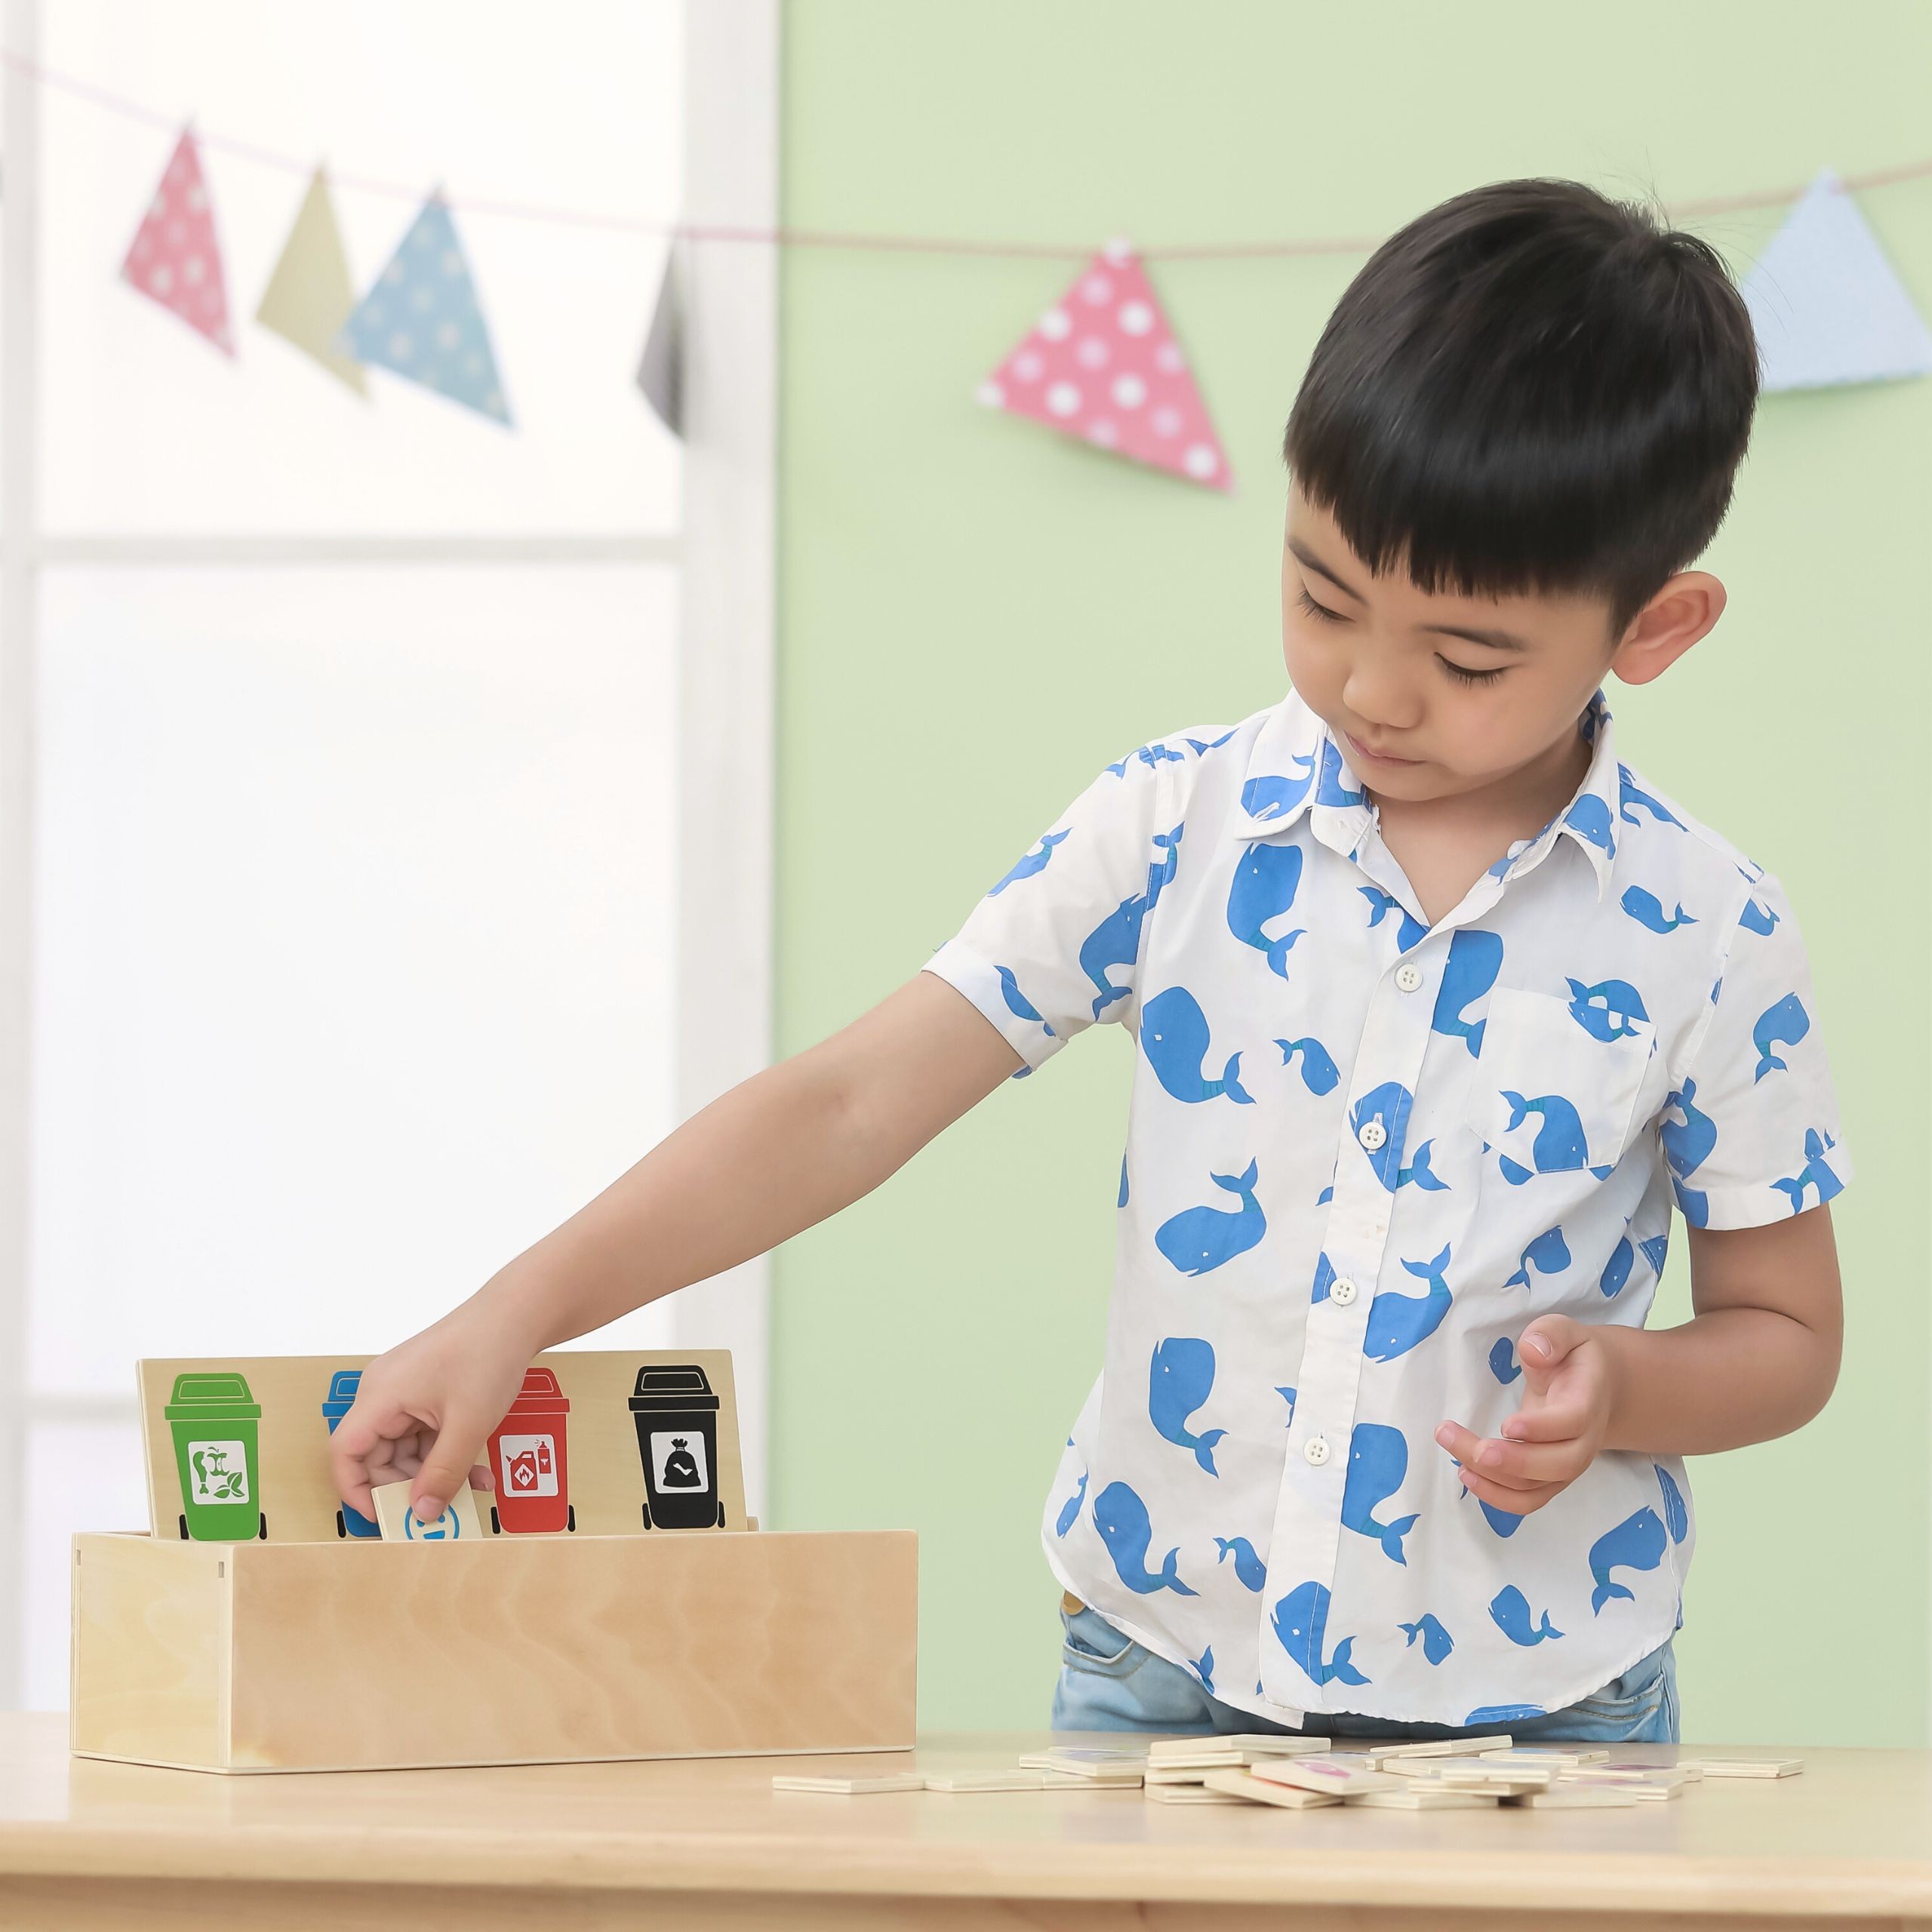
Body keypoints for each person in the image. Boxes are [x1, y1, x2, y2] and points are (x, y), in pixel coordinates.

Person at [328, 177, 1847, 1744]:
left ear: (1654, 628)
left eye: (1465, 658)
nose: (1370, 690)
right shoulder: (1174, 826)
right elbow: (849, 1101)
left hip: (1543, 1710)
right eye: (1321, 597)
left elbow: (1788, 1336)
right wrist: (518, 1310)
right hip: (1161, 1675)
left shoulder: (1711, 929)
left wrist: (1627, 1386)